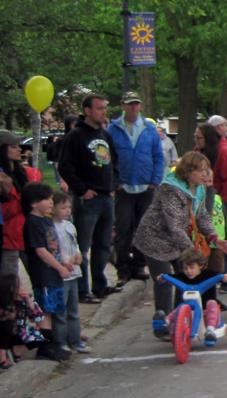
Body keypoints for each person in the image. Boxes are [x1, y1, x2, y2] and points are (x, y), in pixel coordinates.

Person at [133, 152, 227, 338]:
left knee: (185, 278)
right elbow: (175, 226)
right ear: (188, 172)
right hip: (155, 238)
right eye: (201, 170)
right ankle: (163, 324)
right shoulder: (170, 189)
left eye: (206, 170)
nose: (205, 174)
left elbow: (202, 215)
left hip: (176, 241)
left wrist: (214, 238)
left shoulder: (199, 189)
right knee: (165, 279)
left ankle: (182, 318)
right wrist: (192, 252)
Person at [58, 94, 120, 303]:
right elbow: (65, 166)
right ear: (87, 111)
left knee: (103, 244)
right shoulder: (75, 136)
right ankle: (83, 290)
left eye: (105, 108)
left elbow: (115, 163)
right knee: (83, 246)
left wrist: (113, 186)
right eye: (99, 108)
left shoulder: (105, 135)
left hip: (106, 197)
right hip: (88, 198)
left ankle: (100, 285)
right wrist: (81, 189)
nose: (103, 112)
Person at [108, 91, 165, 286]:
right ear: (123, 105)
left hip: (146, 186)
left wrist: (155, 180)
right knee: (123, 228)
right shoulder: (113, 129)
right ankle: (123, 269)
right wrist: (115, 183)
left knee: (144, 228)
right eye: (130, 104)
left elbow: (158, 157)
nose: (134, 107)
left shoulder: (149, 129)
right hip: (124, 187)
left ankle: (139, 265)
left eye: (136, 104)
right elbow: (108, 158)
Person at [23, 183, 69, 352]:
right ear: (34, 203)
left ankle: (55, 343)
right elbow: (41, 251)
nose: (51, 202)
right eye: (46, 199)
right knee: (45, 311)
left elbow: (53, 247)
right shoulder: (32, 223)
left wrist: (64, 263)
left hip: (54, 273)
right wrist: (59, 267)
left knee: (54, 308)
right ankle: (46, 348)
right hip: (43, 274)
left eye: (51, 199)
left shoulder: (46, 221)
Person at [195, 123, 227, 239]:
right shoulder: (199, 152)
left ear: (208, 138)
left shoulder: (225, 153)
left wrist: (220, 205)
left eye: (199, 138)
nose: (196, 140)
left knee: (224, 236)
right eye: (195, 137)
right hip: (208, 199)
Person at [50, 192, 84, 353]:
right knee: (60, 311)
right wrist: (65, 262)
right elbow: (54, 250)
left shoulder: (70, 225)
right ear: (53, 208)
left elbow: (75, 243)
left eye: (69, 207)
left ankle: (76, 340)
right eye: (63, 207)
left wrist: (78, 255)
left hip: (74, 272)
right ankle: (61, 342)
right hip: (61, 273)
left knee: (74, 310)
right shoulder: (50, 228)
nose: (67, 211)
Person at [0, 130, 29, 280]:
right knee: (9, 279)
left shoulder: (21, 172)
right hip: (9, 235)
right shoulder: (2, 176)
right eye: (13, 146)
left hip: (26, 231)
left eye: (19, 146)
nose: (19, 149)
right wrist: (23, 203)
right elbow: (5, 210)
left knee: (39, 275)